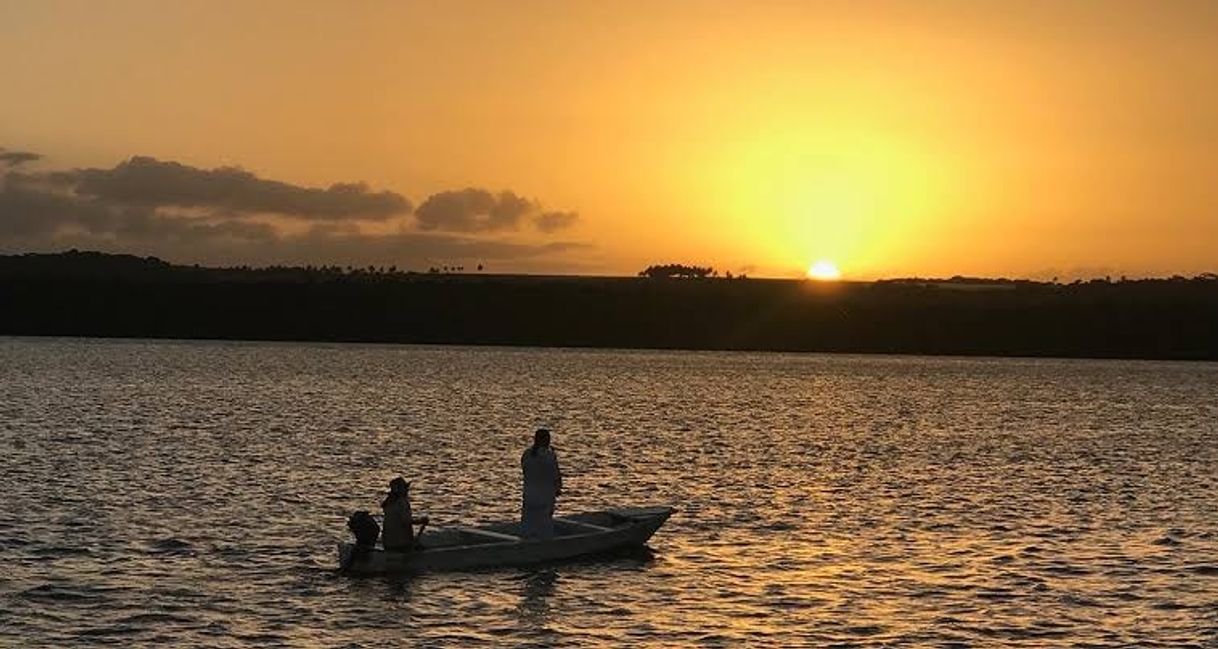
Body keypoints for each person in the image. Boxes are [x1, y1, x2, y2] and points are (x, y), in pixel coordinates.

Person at [521, 428, 563, 539]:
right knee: (545, 524)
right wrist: (558, 488)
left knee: (529, 521)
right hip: (544, 496)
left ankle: (527, 539)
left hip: (529, 495)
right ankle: (546, 543)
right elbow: (555, 475)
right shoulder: (549, 456)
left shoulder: (526, 454)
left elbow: (525, 471)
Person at [381, 477, 428, 552]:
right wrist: (421, 521)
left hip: (387, 543)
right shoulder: (402, 502)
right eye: (405, 488)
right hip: (401, 544)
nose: (407, 490)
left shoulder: (388, 503)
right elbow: (406, 521)